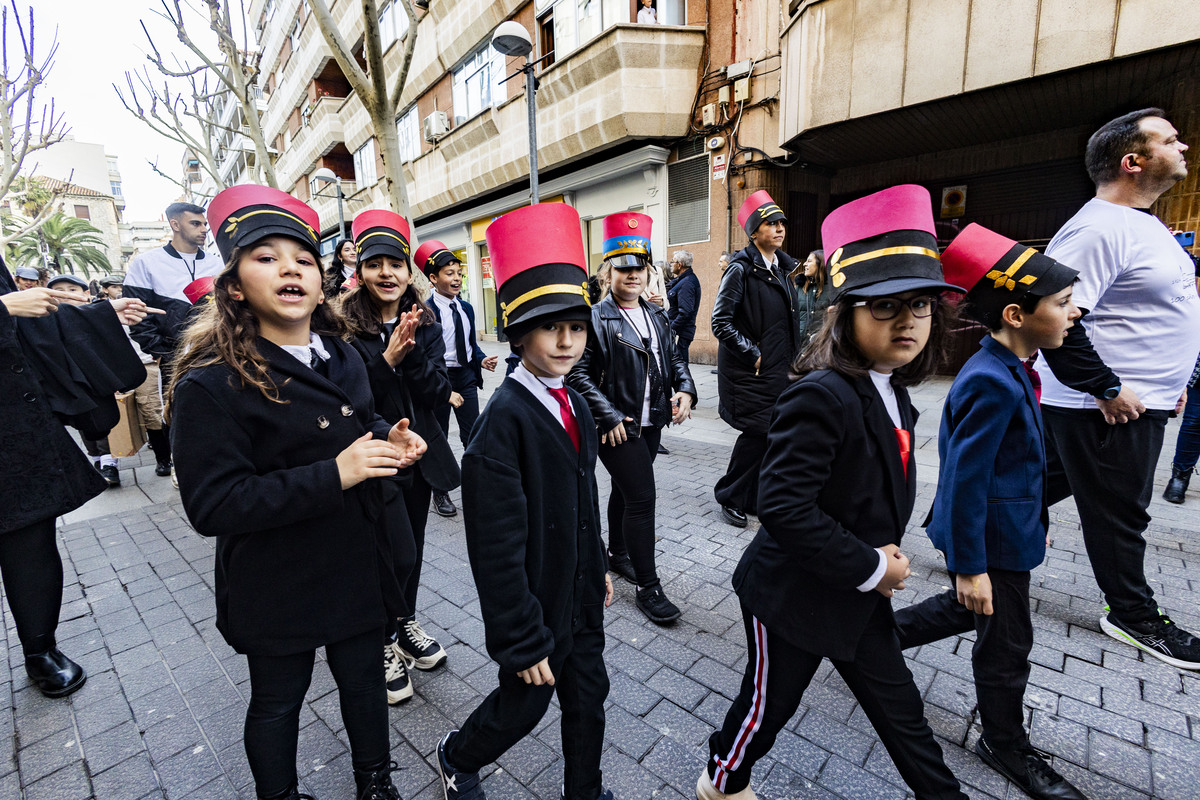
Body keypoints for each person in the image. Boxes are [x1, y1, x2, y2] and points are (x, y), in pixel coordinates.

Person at [699, 185, 968, 800]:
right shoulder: (821, 392)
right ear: (844, 312)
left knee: (904, 717)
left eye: (921, 307)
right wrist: (873, 564)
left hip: (858, 596)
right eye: (884, 308)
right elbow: (785, 507)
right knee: (766, 710)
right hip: (792, 594)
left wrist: (876, 565)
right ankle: (720, 783)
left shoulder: (893, 387)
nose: (907, 322)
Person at [167, 185, 425, 800]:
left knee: (364, 682)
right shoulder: (210, 384)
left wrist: (390, 440)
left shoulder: (343, 354)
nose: (289, 269)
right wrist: (337, 472)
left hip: (357, 560)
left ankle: (376, 785)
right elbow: (213, 505)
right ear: (233, 286)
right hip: (277, 576)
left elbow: (354, 424)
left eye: (304, 259)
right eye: (265, 257)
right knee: (278, 700)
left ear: (320, 279)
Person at [894, 223, 1088, 800]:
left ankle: (866, 636)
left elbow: (1021, 468)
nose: (1074, 312)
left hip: (1009, 533)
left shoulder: (1011, 369)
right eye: (1061, 302)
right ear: (1015, 313)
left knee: (967, 613)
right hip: (990, 543)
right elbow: (964, 477)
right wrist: (970, 565)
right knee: (1007, 648)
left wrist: (1038, 523)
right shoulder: (991, 381)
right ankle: (1003, 742)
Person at [435, 203, 614, 800]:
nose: (567, 341)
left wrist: (600, 564)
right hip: (535, 605)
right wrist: (518, 637)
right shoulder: (501, 425)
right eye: (549, 327)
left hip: (580, 591)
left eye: (577, 327)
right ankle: (457, 755)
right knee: (525, 706)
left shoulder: (577, 405)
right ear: (518, 333)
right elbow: (494, 545)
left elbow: (585, 495)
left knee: (589, 699)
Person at [1037, 109, 1200, 669]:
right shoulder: (1099, 227)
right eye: (1170, 140)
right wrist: (1107, 387)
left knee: (1040, 482)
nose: (1183, 147)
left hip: (1137, 400)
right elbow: (1053, 318)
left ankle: (961, 531)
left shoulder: (1143, 222)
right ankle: (1133, 614)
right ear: (1133, 161)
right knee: (1119, 515)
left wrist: (1172, 381)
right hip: (1106, 409)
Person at [1, 264, 154, 699]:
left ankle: (39, 649)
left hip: (12, 430)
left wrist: (103, 313)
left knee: (30, 544)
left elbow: (27, 325)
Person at [343, 211, 459, 704]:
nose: (386, 273)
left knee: (412, 547)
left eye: (395, 263)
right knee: (388, 553)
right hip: (373, 454)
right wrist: (387, 358)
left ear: (409, 272)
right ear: (361, 271)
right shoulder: (342, 325)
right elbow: (351, 398)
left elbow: (436, 391)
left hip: (420, 453)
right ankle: (384, 641)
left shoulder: (425, 320)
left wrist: (409, 349)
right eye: (376, 264)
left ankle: (405, 623)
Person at [568, 212, 696, 625]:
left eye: (639, 267)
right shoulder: (595, 317)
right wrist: (607, 415)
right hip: (618, 427)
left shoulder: (657, 314)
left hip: (652, 421)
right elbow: (577, 374)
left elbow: (674, 358)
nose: (633, 275)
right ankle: (647, 585)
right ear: (609, 271)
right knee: (643, 498)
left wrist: (687, 389)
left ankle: (618, 554)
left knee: (625, 493)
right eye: (623, 268)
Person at [711, 190, 800, 527]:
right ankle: (730, 495)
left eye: (781, 223)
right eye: (770, 223)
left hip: (781, 370)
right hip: (750, 372)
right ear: (753, 232)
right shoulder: (741, 270)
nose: (779, 229)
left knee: (770, 436)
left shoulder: (786, 269)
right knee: (757, 435)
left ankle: (751, 497)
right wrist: (754, 354)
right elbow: (721, 322)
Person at [124, 201, 218, 482]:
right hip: (173, 354)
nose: (204, 229)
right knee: (176, 408)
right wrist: (161, 350)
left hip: (217, 348)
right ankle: (181, 465)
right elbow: (136, 313)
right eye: (196, 223)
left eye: (204, 224)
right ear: (175, 224)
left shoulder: (217, 262)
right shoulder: (146, 263)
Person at [419, 241, 498, 516]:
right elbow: (424, 355)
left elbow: (469, 345)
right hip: (438, 380)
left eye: (459, 273)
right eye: (449, 273)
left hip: (464, 378)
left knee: (473, 434)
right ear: (433, 278)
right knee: (437, 437)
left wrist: (481, 359)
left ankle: (478, 486)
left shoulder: (466, 308)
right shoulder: (425, 312)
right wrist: (439, 387)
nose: (456, 279)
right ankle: (439, 492)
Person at [667, 249, 701, 364]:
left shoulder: (687, 283)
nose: (671, 264)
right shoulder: (683, 280)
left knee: (680, 366)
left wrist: (671, 328)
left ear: (680, 264)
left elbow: (685, 312)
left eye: (673, 261)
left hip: (680, 332)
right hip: (680, 331)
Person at [793, 248, 830, 346]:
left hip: (821, 347)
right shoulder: (800, 288)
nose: (804, 264)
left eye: (809, 261)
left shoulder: (832, 289)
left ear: (820, 264)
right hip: (799, 347)